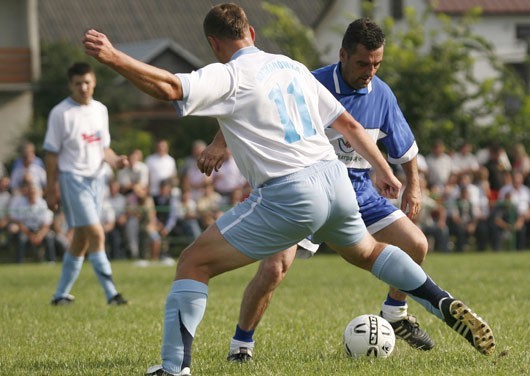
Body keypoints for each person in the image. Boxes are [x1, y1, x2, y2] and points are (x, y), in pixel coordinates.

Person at [83, 5, 495, 375]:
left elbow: (171, 88)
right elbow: (349, 125)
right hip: (335, 182)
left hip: (291, 192)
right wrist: (384, 169)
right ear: (253, 34)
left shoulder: (228, 75)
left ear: (213, 43)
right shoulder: (291, 66)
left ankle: (174, 369)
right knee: (368, 252)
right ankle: (437, 299)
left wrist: (114, 57)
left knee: (193, 263)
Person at [202, 17, 435, 361]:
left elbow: (407, 150)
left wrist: (413, 186)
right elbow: (256, 105)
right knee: (274, 269)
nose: (370, 71)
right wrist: (220, 143)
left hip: (359, 195)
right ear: (342, 55)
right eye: (362, 63)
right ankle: (241, 346)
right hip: (307, 191)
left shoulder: (382, 94)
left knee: (416, 244)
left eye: (377, 63)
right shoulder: (308, 80)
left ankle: (395, 315)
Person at [44, 62, 128, 306]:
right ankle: (112, 293)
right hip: (72, 179)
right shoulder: (60, 113)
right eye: (78, 83)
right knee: (96, 232)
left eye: (87, 82)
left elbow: (104, 149)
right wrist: (51, 189)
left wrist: (117, 161)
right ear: (70, 84)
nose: (83, 87)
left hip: (97, 180)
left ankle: (60, 295)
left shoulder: (100, 110)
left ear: (94, 83)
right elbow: (51, 154)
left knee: (81, 239)